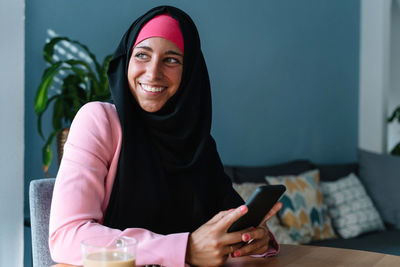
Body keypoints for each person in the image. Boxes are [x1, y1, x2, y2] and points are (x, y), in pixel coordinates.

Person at [49, 5, 282, 267]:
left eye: (171, 59)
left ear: (189, 72)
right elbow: (67, 237)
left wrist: (253, 239)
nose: (152, 72)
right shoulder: (99, 121)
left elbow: (228, 220)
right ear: (126, 60)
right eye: (142, 55)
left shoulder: (195, 141)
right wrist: (185, 250)